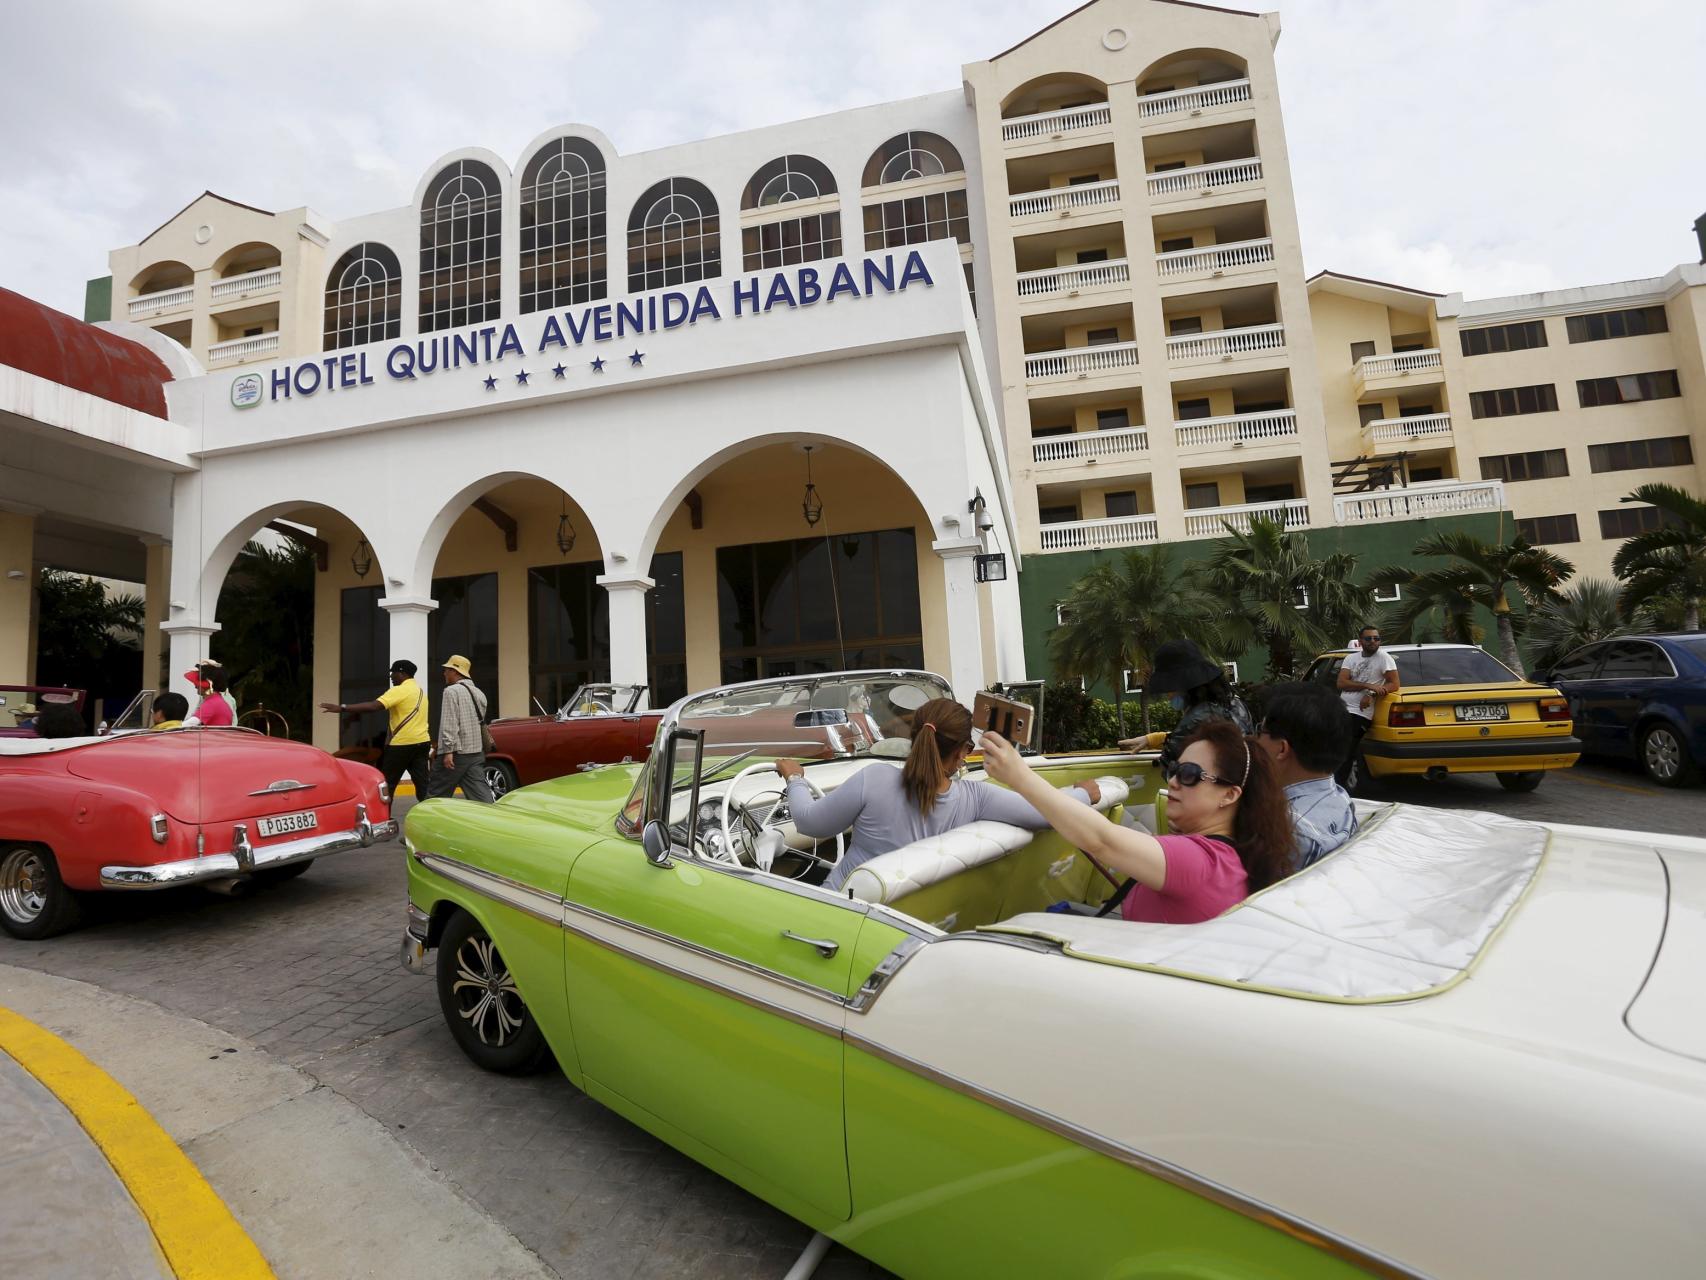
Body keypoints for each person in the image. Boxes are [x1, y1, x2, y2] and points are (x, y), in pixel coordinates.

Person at [983, 719, 1294, 924]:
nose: (1173, 781)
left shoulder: (1200, 862)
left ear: (1229, 795)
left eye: (1189, 775)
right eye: (1175, 770)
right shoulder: (1232, 858)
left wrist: (1019, 776)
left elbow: (1101, 840)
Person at [778, 697, 1099, 893]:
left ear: (914, 737)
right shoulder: (976, 798)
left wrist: (795, 778)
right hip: (903, 928)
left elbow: (808, 823)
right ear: (962, 752)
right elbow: (1046, 814)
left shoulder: (874, 778)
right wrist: (1084, 793)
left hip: (840, 910)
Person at [1254, 682, 1357, 868]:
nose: (1255, 741)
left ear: (1282, 749)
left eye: (1260, 731)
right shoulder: (1340, 798)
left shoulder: (1287, 832)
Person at [1122, 639, 1254, 771]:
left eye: (1170, 688)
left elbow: (1174, 770)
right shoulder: (1235, 704)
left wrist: (1167, 756)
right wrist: (1159, 739)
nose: (1168, 696)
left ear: (1184, 685)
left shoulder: (1194, 720)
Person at [321, 659, 431, 802]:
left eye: (393, 673)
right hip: (422, 743)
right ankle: (430, 813)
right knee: (423, 786)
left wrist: (342, 708)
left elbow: (374, 706)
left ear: (402, 673)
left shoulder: (399, 690)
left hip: (401, 745)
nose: (391, 676)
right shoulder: (420, 691)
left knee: (387, 786)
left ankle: (383, 815)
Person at [1335, 625, 1399, 787]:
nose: (1373, 641)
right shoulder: (1351, 658)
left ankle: (1339, 787)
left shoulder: (1384, 658)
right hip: (1342, 709)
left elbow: (1394, 684)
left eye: (1376, 638)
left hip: (1360, 713)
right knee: (1336, 749)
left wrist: (1371, 694)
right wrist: (1368, 686)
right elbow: (1341, 683)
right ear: (1360, 641)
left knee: (1346, 750)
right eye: (1368, 638)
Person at [429, 655, 494, 802]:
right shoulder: (479, 693)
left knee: (435, 795)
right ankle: (492, 815)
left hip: (456, 754)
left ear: (455, 671)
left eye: (447, 670)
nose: (444, 673)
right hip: (476, 753)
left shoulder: (451, 691)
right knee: (481, 796)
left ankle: (428, 817)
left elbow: (450, 722)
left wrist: (448, 751)